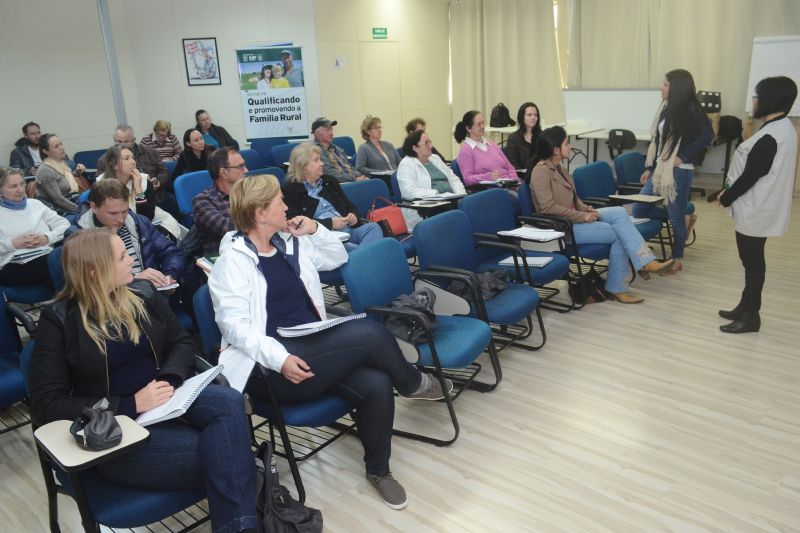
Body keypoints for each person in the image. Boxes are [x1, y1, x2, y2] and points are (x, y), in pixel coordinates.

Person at [208, 173, 451, 510]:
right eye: (279, 200)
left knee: (377, 383)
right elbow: (235, 327)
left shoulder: (289, 242)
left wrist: (315, 230)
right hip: (271, 368)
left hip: (314, 349)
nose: (287, 205)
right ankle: (412, 382)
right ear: (260, 212)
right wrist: (279, 359)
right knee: (368, 332)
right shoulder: (232, 261)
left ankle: (379, 471)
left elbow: (338, 258)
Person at [29, 228, 258, 533]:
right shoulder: (58, 321)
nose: (131, 261)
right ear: (97, 271)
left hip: (166, 400)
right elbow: (48, 406)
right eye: (122, 257)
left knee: (229, 403)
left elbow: (182, 343)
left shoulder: (143, 292)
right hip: (117, 428)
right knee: (230, 451)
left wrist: (169, 379)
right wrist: (130, 403)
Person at [529, 126, 675, 304]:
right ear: (556, 150)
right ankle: (620, 286)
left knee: (619, 212)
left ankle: (645, 260)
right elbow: (548, 208)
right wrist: (582, 216)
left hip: (574, 218)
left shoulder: (558, 167)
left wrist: (585, 208)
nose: (570, 146)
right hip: (561, 227)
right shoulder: (541, 171)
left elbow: (574, 198)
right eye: (566, 143)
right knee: (617, 233)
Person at [716, 76, 797, 334]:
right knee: (752, 262)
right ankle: (745, 306)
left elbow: (751, 176)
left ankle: (751, 316)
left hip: (757, 208)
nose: (753, 101)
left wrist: (726, 197)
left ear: (770, 100)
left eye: (756, 96)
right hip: (760, 207)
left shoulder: (772, 135)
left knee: (752, 263)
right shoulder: (781, 127)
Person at [633, 69, 713, 274]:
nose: (662, 87)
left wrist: (682, 157)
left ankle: (677, 260)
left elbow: (707, 135)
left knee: (675, 219)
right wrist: (650, 168)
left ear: (677, 87)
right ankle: (685, 213)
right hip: (660, 169)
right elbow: (659, 141)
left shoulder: (691, 109)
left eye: (666, 84)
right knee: (639, 209)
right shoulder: (666, 107)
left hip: (678, 171)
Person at [68, 179, 186, 288]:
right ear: (94, 207)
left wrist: (167, 277)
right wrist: (134, 282)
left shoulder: (139, 222)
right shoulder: (78, 239)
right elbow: (87, 287)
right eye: (113, 213)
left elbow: (172, 252)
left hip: (152, 293)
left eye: (124, 211)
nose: (120, 219)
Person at [283, 143, 383, 251]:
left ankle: (362, 257)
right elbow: (296, 224)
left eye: (321, 159)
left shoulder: (329, 181)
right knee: (347, 248)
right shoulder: (290, 190)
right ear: (303, 165)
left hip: (348, 230)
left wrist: (353, 216)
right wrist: (330, 223)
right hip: (325, 239)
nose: (322, 163)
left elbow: (350, 206)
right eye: (316, 160)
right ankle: (367, 257)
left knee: (373, 228)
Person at [95, 145, 183, 241]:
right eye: (126, 159)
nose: (133, 162)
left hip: (148, 220)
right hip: (116, 226)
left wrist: (138, 189)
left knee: (167, 230)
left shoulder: (143, 180)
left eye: (133, 158)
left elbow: (147, 216)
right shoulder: (102, 184)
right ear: (114, 165)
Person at [0, 167, 69, 288]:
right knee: (65, 265)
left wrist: (47, 238)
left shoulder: (35, 204)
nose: (20, 190)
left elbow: (65, 225)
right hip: (13, 264)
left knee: (64, 261)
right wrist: (13, 244)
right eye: (13, 186)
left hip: (46, 257)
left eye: (22, 184)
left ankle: (64, 302)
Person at [396, 130, 466, 231]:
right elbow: (408, 192)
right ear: (415, 147)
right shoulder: (406, 164)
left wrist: (460, 195)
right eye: (426, 143)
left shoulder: (435, 158)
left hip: (451, 202)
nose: (431, 146)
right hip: (427, 210)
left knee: (470, 205)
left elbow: (453, 178)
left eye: (430, 142)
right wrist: (436, 194)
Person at [192, 147, 248, 254]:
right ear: (224, 173)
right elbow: (231, 230)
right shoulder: (203, 201)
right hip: (224, 259)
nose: (246, 170)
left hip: (252, 252)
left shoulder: (247, 193)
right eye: (240, 166)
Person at [454, 110, 519, 188]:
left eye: (483, 122)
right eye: (479, 124)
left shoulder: (492, 144)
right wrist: (488, 177)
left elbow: (509, 167)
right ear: (468, 128)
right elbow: (467, 179)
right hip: (492, 190)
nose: (482, 126)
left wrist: (514, 181)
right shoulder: (465, 151)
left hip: (508, 185)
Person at [96, 125, 169, 195]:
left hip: (153, 193)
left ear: (133, 140)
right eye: (118, 141)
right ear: (114, 140)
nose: (122, 145)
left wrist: (158, 181)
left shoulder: (150, 152)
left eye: (126, 141)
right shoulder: (105, 160)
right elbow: (101, 185)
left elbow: (163, 171)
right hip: (120, 196)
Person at [35, 133, 88, 215]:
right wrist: (82, 210)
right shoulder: (45, 171)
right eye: (56, 146)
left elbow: (62, 179)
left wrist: (76, 173)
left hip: (72, 200)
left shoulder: (60, 163)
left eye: (61, 144)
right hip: (60, 210)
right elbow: (58, 199)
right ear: (46, 151)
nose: (62, 148)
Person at [311, 117, 368, 183]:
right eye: (327, 130)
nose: (331, 133)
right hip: (338, 184)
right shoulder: (315, 150)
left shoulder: (336, 148)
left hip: (351, 181)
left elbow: (349, 166)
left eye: (331, 130)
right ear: (317, 134)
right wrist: (354, 179)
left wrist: (359, 176)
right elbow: (329, 173)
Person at [505, 102, 542, 170]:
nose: (533, 117)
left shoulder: (542, 136)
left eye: (535, 115)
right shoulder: (513, 138)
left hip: (542, 175)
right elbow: (512, 164)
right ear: (522, 117)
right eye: (529, 115)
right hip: (522, 177)